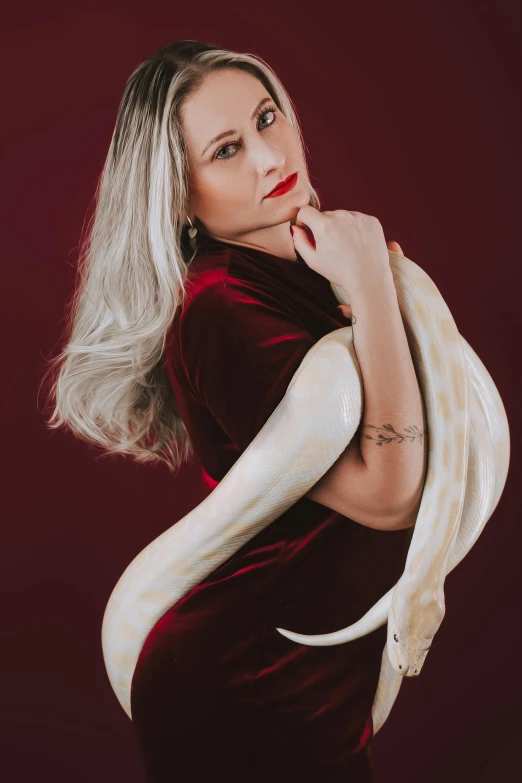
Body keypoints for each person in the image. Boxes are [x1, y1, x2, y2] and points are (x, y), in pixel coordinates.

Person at [44, 39, 427, 782]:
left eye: (266, 118)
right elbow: (390, 493)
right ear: (180, 197)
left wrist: (362, 283)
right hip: (243, 683)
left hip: (311, 679)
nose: (267, 156)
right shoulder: (219, 305)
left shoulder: (310, 270)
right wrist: (376, 287)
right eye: (226, 149)